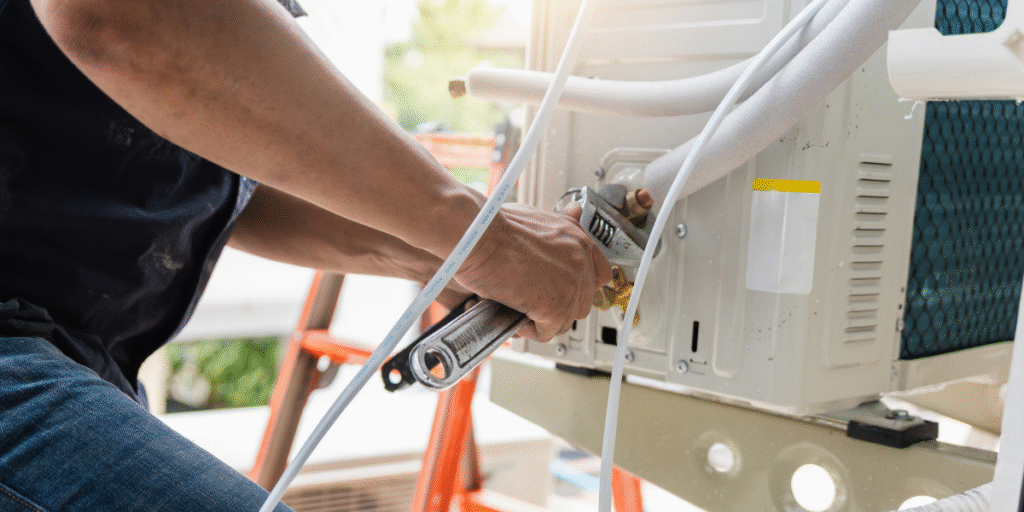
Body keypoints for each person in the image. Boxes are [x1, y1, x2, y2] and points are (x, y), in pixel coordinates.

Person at [0, 0, 612, 510]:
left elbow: (224, 177)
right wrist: (480, 236)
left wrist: (439, 258)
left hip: (70, 351)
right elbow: (119, 15)